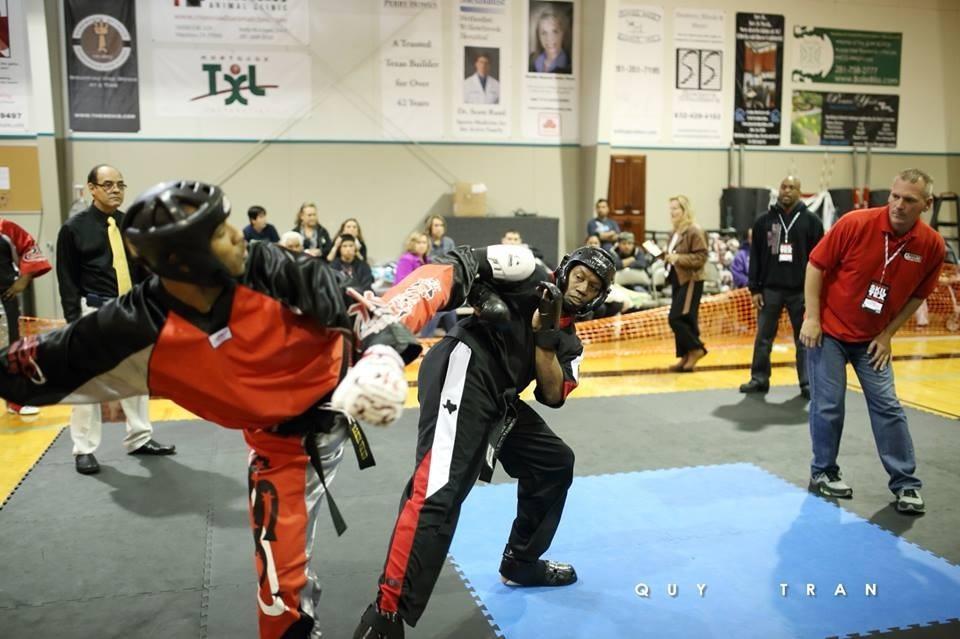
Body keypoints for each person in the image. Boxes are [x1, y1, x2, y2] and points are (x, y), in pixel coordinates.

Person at [0, 179, 479, 639]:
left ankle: (472, 264)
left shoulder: (268, 264)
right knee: (279, 598)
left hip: (342, 376)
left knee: (417, 294)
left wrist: (383, 355)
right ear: (184, 261)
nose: (236, 235)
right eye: (218, 232)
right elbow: (33, 362)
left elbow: (350, 305)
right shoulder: (133, 328)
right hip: (281, 445)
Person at [352, 244, 617, 639]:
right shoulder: (528, 270)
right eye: (580, 277)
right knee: (440, 487)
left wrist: (544, 337)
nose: (582, 288)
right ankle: (384, 615)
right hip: (465, 366)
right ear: (566, 270)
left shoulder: (570, 343)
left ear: (599, 297)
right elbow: (459, 261)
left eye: (593, 286)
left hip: (500, 398)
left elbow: (552, 394)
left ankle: (521, 562)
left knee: (553, 462)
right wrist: (476, 292)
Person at [800, 169, 946, 515]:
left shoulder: (931, 245)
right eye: (895, 196)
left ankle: (906, 483)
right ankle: (823, 471)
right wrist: (812, 318)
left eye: (909, 200)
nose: (898, 205)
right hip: (828, 333)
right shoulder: (855, 224)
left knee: (888, 406)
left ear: (926, 205)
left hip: (872, 339)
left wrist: (887, 334)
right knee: (828, 405)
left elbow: (919, 294)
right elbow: (815, 265)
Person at [56, 164, 175, 475]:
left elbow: (144, 272)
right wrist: (72, 320)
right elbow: (67, 279)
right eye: (107, 184)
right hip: (94, 310)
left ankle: (140, 437)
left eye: (120, 185)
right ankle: (84, 448)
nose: (115, 190)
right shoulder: (73, 229)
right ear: (92, 188)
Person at [740, 176, 824, 398]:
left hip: (801, 291)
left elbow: (820, 261)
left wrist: (816, 292)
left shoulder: (812, 222)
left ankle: (807, 383)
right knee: (763, 338)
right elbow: (755, 257)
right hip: (770, 290)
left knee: (804, 339)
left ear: (799, 191)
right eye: (783, 187)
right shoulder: (763, 221)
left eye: (791, 187)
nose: (786, 191)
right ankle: (759, 379)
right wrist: (754, 289)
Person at [0, 217, 52, 416]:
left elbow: (29, 248)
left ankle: (15, 401)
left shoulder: (5, 228)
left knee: (10, 350)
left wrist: (24, 279)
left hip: (4, 299)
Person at [662, 195, 708, 372]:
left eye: (675, 208)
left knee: (676, 318)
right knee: (687, 319)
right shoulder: (674, 232)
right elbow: (674, 255)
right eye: (670, 208)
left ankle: (697, 349)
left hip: (691, 279)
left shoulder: (694, 230)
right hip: (677, 278)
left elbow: (701, 257)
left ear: (684, 210)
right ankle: (685, 356)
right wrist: (665, 256)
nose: (672, 212)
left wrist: (678, 258)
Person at [529, 10, 571, 74]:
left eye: (554, 32)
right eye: (544, 33)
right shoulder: (531, 61)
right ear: (538, 36)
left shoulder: (570, 65)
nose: (549, 38)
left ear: (562, 34)